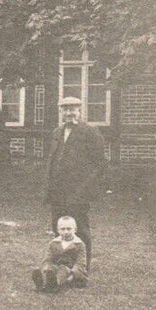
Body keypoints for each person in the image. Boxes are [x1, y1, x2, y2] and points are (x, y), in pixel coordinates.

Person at [45, 95, 106, 265]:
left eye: (73, 109)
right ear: (61, 112)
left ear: (79, 111)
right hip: (57, 191)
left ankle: (82, 267)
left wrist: (86, 188)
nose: (69, 113)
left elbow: (100, 164)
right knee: (59, 227)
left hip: (79, 192)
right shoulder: (57, 132)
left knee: (80, 229)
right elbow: (54, 160)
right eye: (65, 109)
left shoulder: (90, 132)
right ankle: (61, 264)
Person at [32, 215, 89, 292]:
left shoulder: (79, 244)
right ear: (58, 230)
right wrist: (46, 268)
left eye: (69, 229)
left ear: (75, 230)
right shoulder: (54, 243)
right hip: (55, 269)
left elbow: (81, 263)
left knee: (63, 269)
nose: (66, 232)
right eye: (63, 229)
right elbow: (47, 258)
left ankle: (54, 284)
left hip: (72, 273)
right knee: (50, 268)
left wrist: (72, 274)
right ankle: (43, 282)